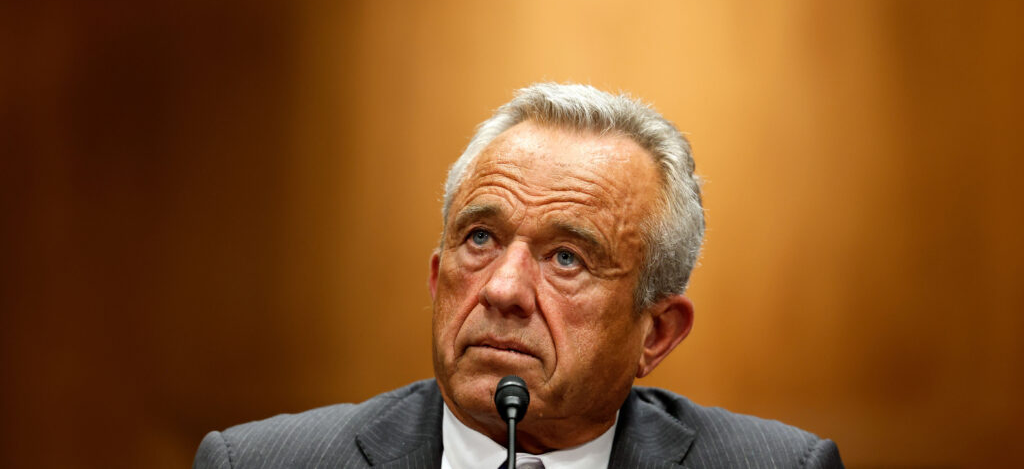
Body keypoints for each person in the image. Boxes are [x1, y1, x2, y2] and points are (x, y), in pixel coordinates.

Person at [194, 83, 844, 468]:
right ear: (437, 280)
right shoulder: (259, 464)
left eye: (567, 258)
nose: (502, 290)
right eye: (480, 239)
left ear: (656, 333)